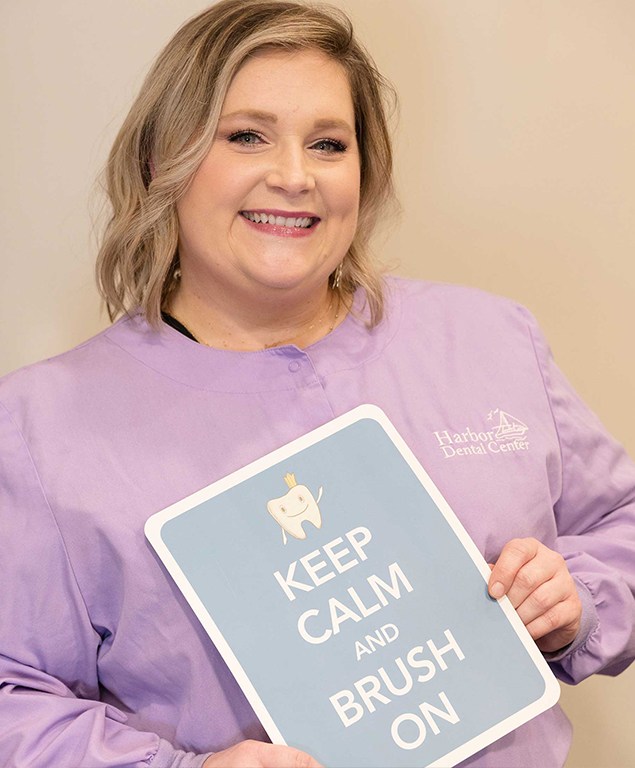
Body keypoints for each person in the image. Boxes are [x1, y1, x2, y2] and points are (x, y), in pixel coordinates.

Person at [1, 0, 633, 766]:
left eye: (328, 144)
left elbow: (620, 525)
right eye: (246, 136)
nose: (295, 176)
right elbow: (11, 693)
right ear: (158, 161)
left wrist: (577, 601)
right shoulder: (43, 426)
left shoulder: (487, 340)